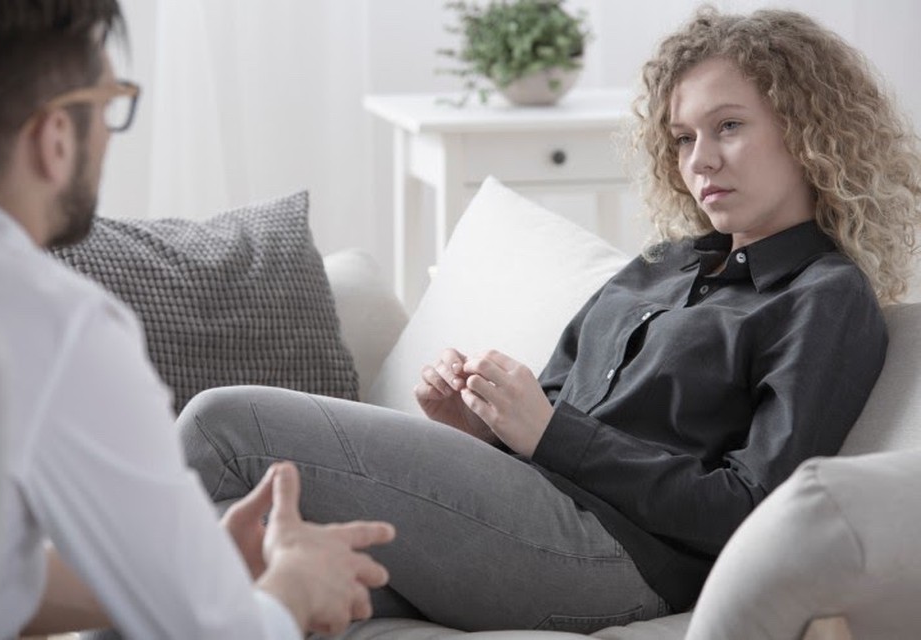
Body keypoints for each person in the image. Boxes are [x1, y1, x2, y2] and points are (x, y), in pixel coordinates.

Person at [177, 5, 921, 634]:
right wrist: (483, 428)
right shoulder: (661, 266)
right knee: (250, 567)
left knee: (220, 425)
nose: (701, 161)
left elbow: (754, 509)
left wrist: (549, 432)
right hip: (530, 519)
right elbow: (554, 420)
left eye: (728, 126)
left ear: (805, 129)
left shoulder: (825, 297)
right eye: (685, 138)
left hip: (621, 557)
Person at [0, 1, 397, 638]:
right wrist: (294, 590)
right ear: (55, 138)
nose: (110, 135)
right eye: (110, 107)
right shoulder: (54, 328)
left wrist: (193, 571)